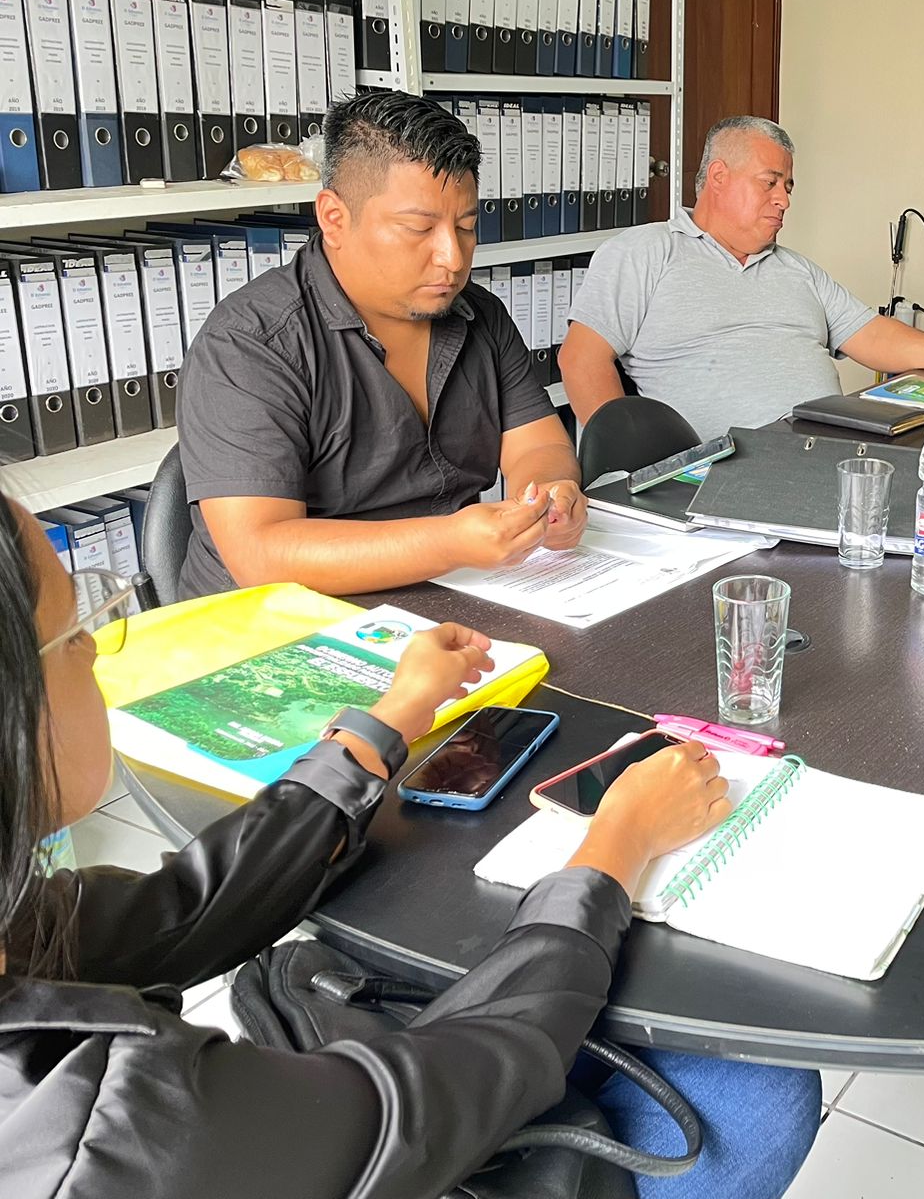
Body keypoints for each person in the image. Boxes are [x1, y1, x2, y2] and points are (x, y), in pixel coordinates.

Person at [0, 492, 820, 1198]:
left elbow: (178, 910)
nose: (94, 648)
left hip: (319, 1124)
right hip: (400, 1128)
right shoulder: (98, 1132)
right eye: (75, 630)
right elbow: (441, 1093)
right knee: (761, 1092)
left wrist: (386, 722)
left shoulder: (17, 930)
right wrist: (617, 844)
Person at [176, 91, 587, 600]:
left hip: (447, 591)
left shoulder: (480, 315)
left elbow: (540, 446)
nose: (453, 257)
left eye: (466, 227)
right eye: (419, 228)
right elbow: (261, 555)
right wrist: (450, 542)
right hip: (280, 622)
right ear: (334, 218)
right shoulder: (250, 344)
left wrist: (551, 495)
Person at [559, 115, 924, 439]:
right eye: (770, 182)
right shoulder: (646, 252)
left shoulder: (796, 269)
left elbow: (873, 335)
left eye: (788, 186)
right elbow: (581, 361)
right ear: (718, 177)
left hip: (832, 453)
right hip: (721, 475)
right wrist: (633, 466)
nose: (784, 200)